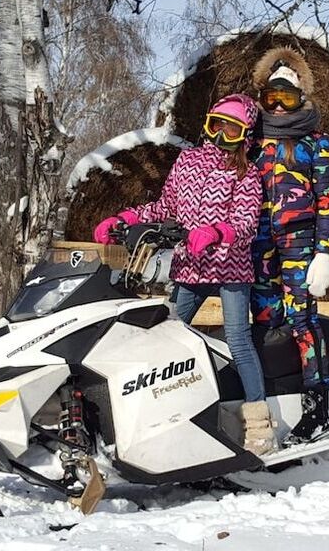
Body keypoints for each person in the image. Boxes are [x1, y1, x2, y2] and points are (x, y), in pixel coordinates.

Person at [93, 94, 276, 455]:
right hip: (190, 267)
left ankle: (259, 425)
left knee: (238, 340)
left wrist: (217, 232)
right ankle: (169, 412)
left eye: (233, 130)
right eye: (217, 126)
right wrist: (127, 219)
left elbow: (245, 224)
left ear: (245, 135)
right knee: (168, 333)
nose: (222, 136)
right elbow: (166, 206)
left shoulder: (247, 174)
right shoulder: (188, 161)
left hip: (229, 268)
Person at [250, 48, 329, 447]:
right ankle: (269, 402)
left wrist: (325, 251)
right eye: (273, 98)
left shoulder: (316, 143)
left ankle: (317, 409)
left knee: (302, 320)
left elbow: (327, 200)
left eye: (288, 98)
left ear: (301, 98)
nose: (280, 107)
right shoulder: (251, 142)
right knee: (266, 322)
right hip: (259, 244)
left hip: (301, 242)